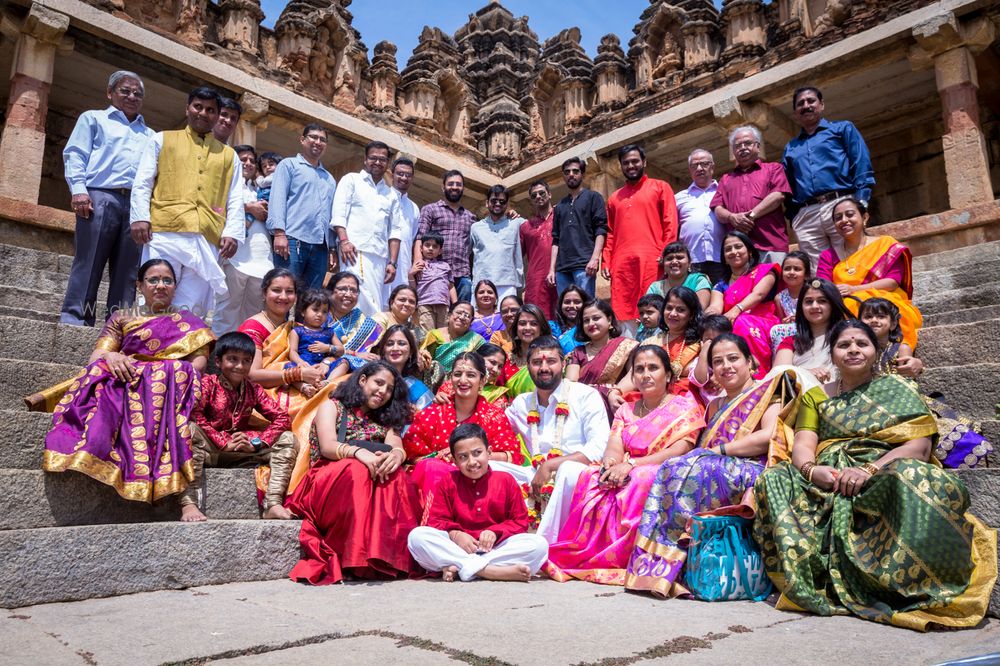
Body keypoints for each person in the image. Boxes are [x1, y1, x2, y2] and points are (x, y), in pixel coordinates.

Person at [754, 320, 996, 629]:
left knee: (910, 476)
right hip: (827, 476)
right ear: (832, 353)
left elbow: (919, 446)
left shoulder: (898, 387)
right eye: (844, 345)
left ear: (876, 350)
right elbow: (803, 443)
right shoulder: (816, 397)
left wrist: (869, 469)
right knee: (774, 478)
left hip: (883, 470)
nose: (853, 349)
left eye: (861, 344)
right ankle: (812, 574)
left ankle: (908, 585)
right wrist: (812, 471)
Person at [626, 334, 804, 597]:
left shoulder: (768, 394)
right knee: (672, 468)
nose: (726, 366)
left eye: (733, 359)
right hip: (716, 466)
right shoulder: (714, 405)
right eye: (718, 362)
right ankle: (660, 566)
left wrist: (719, 451)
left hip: (753, 468)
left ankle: (673, 562)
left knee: (699, 468)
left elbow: (769, 436)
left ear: (750, 362)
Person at [40, 259, 213, 502]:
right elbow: (97, 357)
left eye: (167, 280)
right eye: (153, 280)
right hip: (125, 379)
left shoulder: (191, 323)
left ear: (175, 286)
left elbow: (197, 365)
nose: (160, 285)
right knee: (100, 372)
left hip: (165, 388)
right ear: (140, 285)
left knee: (178, 371)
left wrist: (157, 372)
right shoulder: (122, 317)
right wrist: (112, 357)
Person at [546, 345, 705, 584]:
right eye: (639, 369)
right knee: (592, 475)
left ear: (668, 374)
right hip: (627, 466)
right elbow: (615, 443)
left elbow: (680, 449)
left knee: (641, 478)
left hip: (663, 469)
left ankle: (628, 555)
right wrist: (611, 463)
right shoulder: (626, 409)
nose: (645, 374)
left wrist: (631, 465)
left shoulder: (685, 408)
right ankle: (589, 551)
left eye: (653, 368)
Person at [286, 360, 420, 585]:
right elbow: (328, 446)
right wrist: (359, 453)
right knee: (356, 469)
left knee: (395, 475)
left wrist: (395, 456)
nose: (383, 392)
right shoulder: (333, 406)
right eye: (378, 383)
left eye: (389, 389)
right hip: (327, 479)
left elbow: (397, 447)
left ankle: (388, 558)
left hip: (366, 478)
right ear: (362, 380)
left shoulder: (384, 420)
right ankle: (352, 555)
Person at [129, 86, 244, 318]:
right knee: (156, 295)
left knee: (191, 305)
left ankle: (182, 350)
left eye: (210, 110)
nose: (203, 113)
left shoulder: (229, 155)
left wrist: (233, 233)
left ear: (217, 115)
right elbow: (143, 182)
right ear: (187, 108)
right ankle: (146, 348)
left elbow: (235, 196)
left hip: (206, 236)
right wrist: (140, 217)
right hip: (164, 232)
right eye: (198, 107)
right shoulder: (162, 139)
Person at [61, 70, 155, 326]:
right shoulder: (93, 119)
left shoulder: (150, 135)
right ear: (110, 93)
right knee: (89, 261)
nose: (132, 96)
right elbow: (75, 154)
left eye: (138, 93)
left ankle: (117, 324)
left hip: (136, 205)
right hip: (100, 196)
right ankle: (75, 318)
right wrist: (78, 189)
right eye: (125, 90)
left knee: (128, 271)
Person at [407, 423, 549, 582]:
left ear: (488, 452)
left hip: (496, 548)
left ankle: (460, 567)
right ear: (454, 460)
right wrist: (456, 535)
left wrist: (495, 532)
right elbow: (436, 520)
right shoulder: (447, 482)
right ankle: (491, 571)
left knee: (539, 545)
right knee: (417, 537)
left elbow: (519, 522)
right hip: (458, 547)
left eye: (477, 453)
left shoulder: (506, 480)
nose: (472, 462)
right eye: (463, 457)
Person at [181, 331, 297, 522]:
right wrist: (223, 442)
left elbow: (282, 417)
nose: (239, 366)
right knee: (188, 429)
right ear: (218, 362)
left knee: (288, 439)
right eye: (232, 359)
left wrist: (256, 443)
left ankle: (273, 503)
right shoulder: (207, 383)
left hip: (243, 450)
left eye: (246, 361)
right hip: (212, 450)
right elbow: (195, 415)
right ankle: (189, 504)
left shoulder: (254, 389)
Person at [506, 336, 611, 542]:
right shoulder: (522, 403)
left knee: (567, 471)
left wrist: (550, 466)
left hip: (576, 476)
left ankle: (545, 544)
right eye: (537, 362)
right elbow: (494, 430)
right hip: (535, 476)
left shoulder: (585, 395)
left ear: (563, 364)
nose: (544, 367)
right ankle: (499, 537)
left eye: (551, 361)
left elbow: (599, 448)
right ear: (527, 367)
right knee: (492, 469)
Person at [405, 352, 524, 501]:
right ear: (451, 378)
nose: (463, 380)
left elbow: (512, 456)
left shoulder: (494, 416)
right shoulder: (433, 413)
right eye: (458, 374)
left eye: (471, 375)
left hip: (480, 485)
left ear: (482, 381)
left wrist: (466, 456)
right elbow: (412, 457)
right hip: (436, 485)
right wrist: (439, 461)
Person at [782, 86, 874, 266]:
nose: (806, 105)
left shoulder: (842, 129)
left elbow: (861, 163)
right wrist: (795, 217)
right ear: (795, 113)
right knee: (819, 272)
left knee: (852, 262)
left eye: (811, 101)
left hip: (839, 204)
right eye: (800, 103)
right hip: (807, 213)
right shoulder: (791, 147)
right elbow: (788, 184)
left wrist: (861, 202)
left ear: (821, 104)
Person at [817, 197, 922, 349]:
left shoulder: (885, 244)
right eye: (838, 218)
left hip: (884, 296)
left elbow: (892, 282)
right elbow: (823, 287)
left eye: (850, 214)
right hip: (845, 303)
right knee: (846, 305)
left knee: (882, 308)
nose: (844, 220)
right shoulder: (828, 256)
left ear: (864, 217)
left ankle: (902, 349)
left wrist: (854, 290)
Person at [603, 145, 678, 334]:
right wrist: (606, 260)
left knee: (654, 305)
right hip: (621, 265)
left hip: (652, 260)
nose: (631, 165)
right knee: (624, 311)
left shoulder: (660, 187)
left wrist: (667, 252)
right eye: (626, 163)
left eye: (635, 161)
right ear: (621, 166)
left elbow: (670, 222)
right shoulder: (613, 199)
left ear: (644, 162)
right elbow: (610, 233)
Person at [238, 268, 323, 420]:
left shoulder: (298, 328)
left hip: (298, 387)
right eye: (276, 290)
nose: (283, 297)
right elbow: (252, 375)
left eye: (289, 291)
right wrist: (298, 374)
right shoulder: (253, 327)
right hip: (261, 396)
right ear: (264, 293)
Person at [332, 140, 403, 314]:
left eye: (382, 159)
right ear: (365, 159)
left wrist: (392, 263)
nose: (378, 162)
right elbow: (338, 215)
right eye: (373, 158)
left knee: (375, 300)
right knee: (353, 297)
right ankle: (350, 338)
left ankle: (370, 339)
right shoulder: (351, 180)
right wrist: (344, 241)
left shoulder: (391, 194)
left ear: (387, 164)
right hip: (353, 251)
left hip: (379, 257)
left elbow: (395, 231)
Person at [212, 144, 274, 336]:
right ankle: (220, 356)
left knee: (254, 312)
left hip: (262, 260)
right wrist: (248, 208)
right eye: (243, 159)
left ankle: (248, 356)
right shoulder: (226, 184)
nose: (248, 163)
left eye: (251, 160)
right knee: (228, 307)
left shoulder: (259, 188)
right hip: (235, 256)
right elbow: (215, 207)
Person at [267, 123, 337, 289]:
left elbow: (331, 216)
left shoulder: (329, 179)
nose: (318, 142)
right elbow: (278, 198)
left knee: (311, 298)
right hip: (292, 239)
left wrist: (332, 247)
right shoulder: (289, 165)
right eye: (313, 137)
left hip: (320, 246)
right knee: (285, 290)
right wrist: (279, 233)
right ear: (302, 140)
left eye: (322, 139)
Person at [711, 126, 792, 264]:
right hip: (740, 250)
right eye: (738, 145)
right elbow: (717, 208)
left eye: (747, 143)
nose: (742, 148)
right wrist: (732, 217)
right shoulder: (725, 179)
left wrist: (750, 216)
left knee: (777, 284)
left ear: (758, 146)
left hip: (771, 244)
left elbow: (778, 196)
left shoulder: (773, 168)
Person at [706, 231, 779, 378]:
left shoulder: (765, 271)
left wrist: (737, 309)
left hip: (762, 322)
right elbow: (715, 306)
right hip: (731, 322)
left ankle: (758, 375)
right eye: (728, 249)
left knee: (741, 322)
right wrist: (708, 314)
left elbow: (758, 294)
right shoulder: (721, 284)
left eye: (738, 247)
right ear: (724, 258)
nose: (733, 252)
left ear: (750, 252)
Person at [565, 299, 637, 420]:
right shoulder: (578, 352)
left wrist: (615, 392)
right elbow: (570, 383)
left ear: (609, 320)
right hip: (584, 406)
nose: (591, 323)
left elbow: (634, 376)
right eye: (586, 320)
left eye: (596, 318)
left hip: (614, 404)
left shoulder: (626, 346)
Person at [549, 157, 607, 298]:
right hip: (562, 269)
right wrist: (552, 269)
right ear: (563, 176)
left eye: (575, 171)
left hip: (584, 265)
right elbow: (556, 240)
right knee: (565, 311)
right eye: (567, 172)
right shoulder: (560, 206)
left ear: (582, 174)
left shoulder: (594, 197)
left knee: (586, 309)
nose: (571, 174)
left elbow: (600, 229)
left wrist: (594, 259)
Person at [416, 170, 477, 303]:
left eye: (458, 184)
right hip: (436, 273)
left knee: (462, 315)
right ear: (443, 187)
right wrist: (418, 264)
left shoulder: (470, 217)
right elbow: (420, 237)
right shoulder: (430, 209)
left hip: (462, 274)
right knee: (437, 314)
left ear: (463, 189)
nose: (454, 187)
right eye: (450, 184)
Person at [772, 278, 850, 383]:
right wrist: (805, 373)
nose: (814, 306)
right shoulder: (791, 341)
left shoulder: (847, 336)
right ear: (801, 307)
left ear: (833, 304)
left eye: (822, 301)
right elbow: (777, 375)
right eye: (809, 301)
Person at [675, 149, 726, 285]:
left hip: (722, 259)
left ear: (712, 167)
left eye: (704, 164)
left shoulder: (724, 190)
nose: (699, 168)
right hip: (692, 261)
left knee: (722, 300)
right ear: (690, 170)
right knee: (693, 303)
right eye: (694, 165)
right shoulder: (679, 198)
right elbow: (670, 227)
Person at [470, 185, 523, 300]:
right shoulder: (475, 227)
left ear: (507, 204)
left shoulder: (516, 223)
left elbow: (537, 227)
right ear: (487, 203)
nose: (498, 204)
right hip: (482, 284)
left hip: (507, 284)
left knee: (507, 317)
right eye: (494, 200)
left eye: (502, 201)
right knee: (481, 317)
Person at [325, 272, 384, 374]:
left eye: (353, 290)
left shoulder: (365, 323)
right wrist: (355, 354)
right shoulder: (320, 317)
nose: (348, 294)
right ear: (330, 292)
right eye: (343, 289)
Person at [284, 288, 346, 385]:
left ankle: (327, 382)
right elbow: (293, 351)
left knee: (344, 362)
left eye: (324, 311)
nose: (320, 314)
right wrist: (300, 362)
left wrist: (328, 348)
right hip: (305, 366)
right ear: (303, 312)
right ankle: (303, 386)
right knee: (289, 366)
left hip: (324, 368)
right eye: (315, 310)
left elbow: (341, 350)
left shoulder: (329, 332)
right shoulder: (297, 331)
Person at [374, 323, 434, 417]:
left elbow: (429, 420)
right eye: (390, 344)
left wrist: (416, 414)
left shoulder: (416, 387)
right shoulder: (370, 375)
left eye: (401, 343)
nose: (395, 348)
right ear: (383, 350)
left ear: (411, 352)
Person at [383, 157, 421, 304]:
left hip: (403, 266)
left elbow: (410, 239)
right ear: (392, 174)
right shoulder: (383, 197)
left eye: (408, 175)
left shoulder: (414, 208)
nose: (404, 178)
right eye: (400, 173)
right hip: (383, 262)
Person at [420, 301, 484, 388]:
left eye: (467, 315)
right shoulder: (434, 335)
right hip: (433, 384)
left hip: (463, 385)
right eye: (459, 313)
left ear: (471, 322)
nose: (462, 317)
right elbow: (422, 359)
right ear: (449, 315)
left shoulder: (476, 340)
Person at [858, 297, 924, 379]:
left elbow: (907, 378)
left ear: (893, 324)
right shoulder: (858, 349)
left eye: (881, 316)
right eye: (868, 317)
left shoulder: (901, 349)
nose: (874, 320)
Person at [520, 180, 557, 318]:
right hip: (536, 279)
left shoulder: (561, 216)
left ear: (549, 194)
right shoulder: (526, 226)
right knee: (538, 318)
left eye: (541, 193)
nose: (538, 197)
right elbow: (516, 255)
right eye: (534, 195)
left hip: (562, 274)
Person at [434, 343, 512, 408]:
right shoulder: (451, 385)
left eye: (500, 366)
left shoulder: (498, 395)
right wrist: (438, 399)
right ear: (478, 358)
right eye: (492, 362)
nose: (495, 369)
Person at [644, 241, 712, 310]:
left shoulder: (698, 281)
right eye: (669, 258)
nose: (674, 262)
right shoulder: (655, 287)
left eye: (679, 258)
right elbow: (648, 312)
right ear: (663, 265)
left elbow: (699, 310)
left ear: (689, 263)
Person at [410, 232, 456, 331]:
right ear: (421, 248)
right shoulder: (419, 266)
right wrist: (411, 274)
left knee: (444, 333)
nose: (430, 248)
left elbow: (451, 286)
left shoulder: (445, 265)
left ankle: (442, 347)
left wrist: (455, 304)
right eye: (427, 245)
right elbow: (413, 287)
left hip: (443, 304)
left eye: (435, 246)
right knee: (428, 333)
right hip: (425, 304)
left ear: (440, 251)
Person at [505, 303, 552, 398]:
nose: (527, 328)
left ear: (541, 329)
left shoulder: (552, 359)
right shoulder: (506, 361)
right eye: (522, 323)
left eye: (534, 324)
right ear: (516, 328)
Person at [769, 250, 811, 349]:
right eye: (787, 269)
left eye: (797, 269)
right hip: (791, 334)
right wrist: (786, 322)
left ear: (806, 274)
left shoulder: (812, 293)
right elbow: (782, 322)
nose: (791, 272)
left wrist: (802, 318)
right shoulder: (779, 298)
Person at [688, 315, 733, 405]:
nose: (715, 344)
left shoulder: (734, 356)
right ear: (701, 341)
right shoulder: (700, 361)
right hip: (713, 409)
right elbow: (699, 380)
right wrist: (704, 351)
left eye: (720, 339)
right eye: (709, 340)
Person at [549, 285, 586, 354]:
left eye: (577, 302)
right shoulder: (552, 328)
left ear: (585, 304)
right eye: (567, 302)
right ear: (560, 305)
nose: (572, 306)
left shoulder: (590, 328)